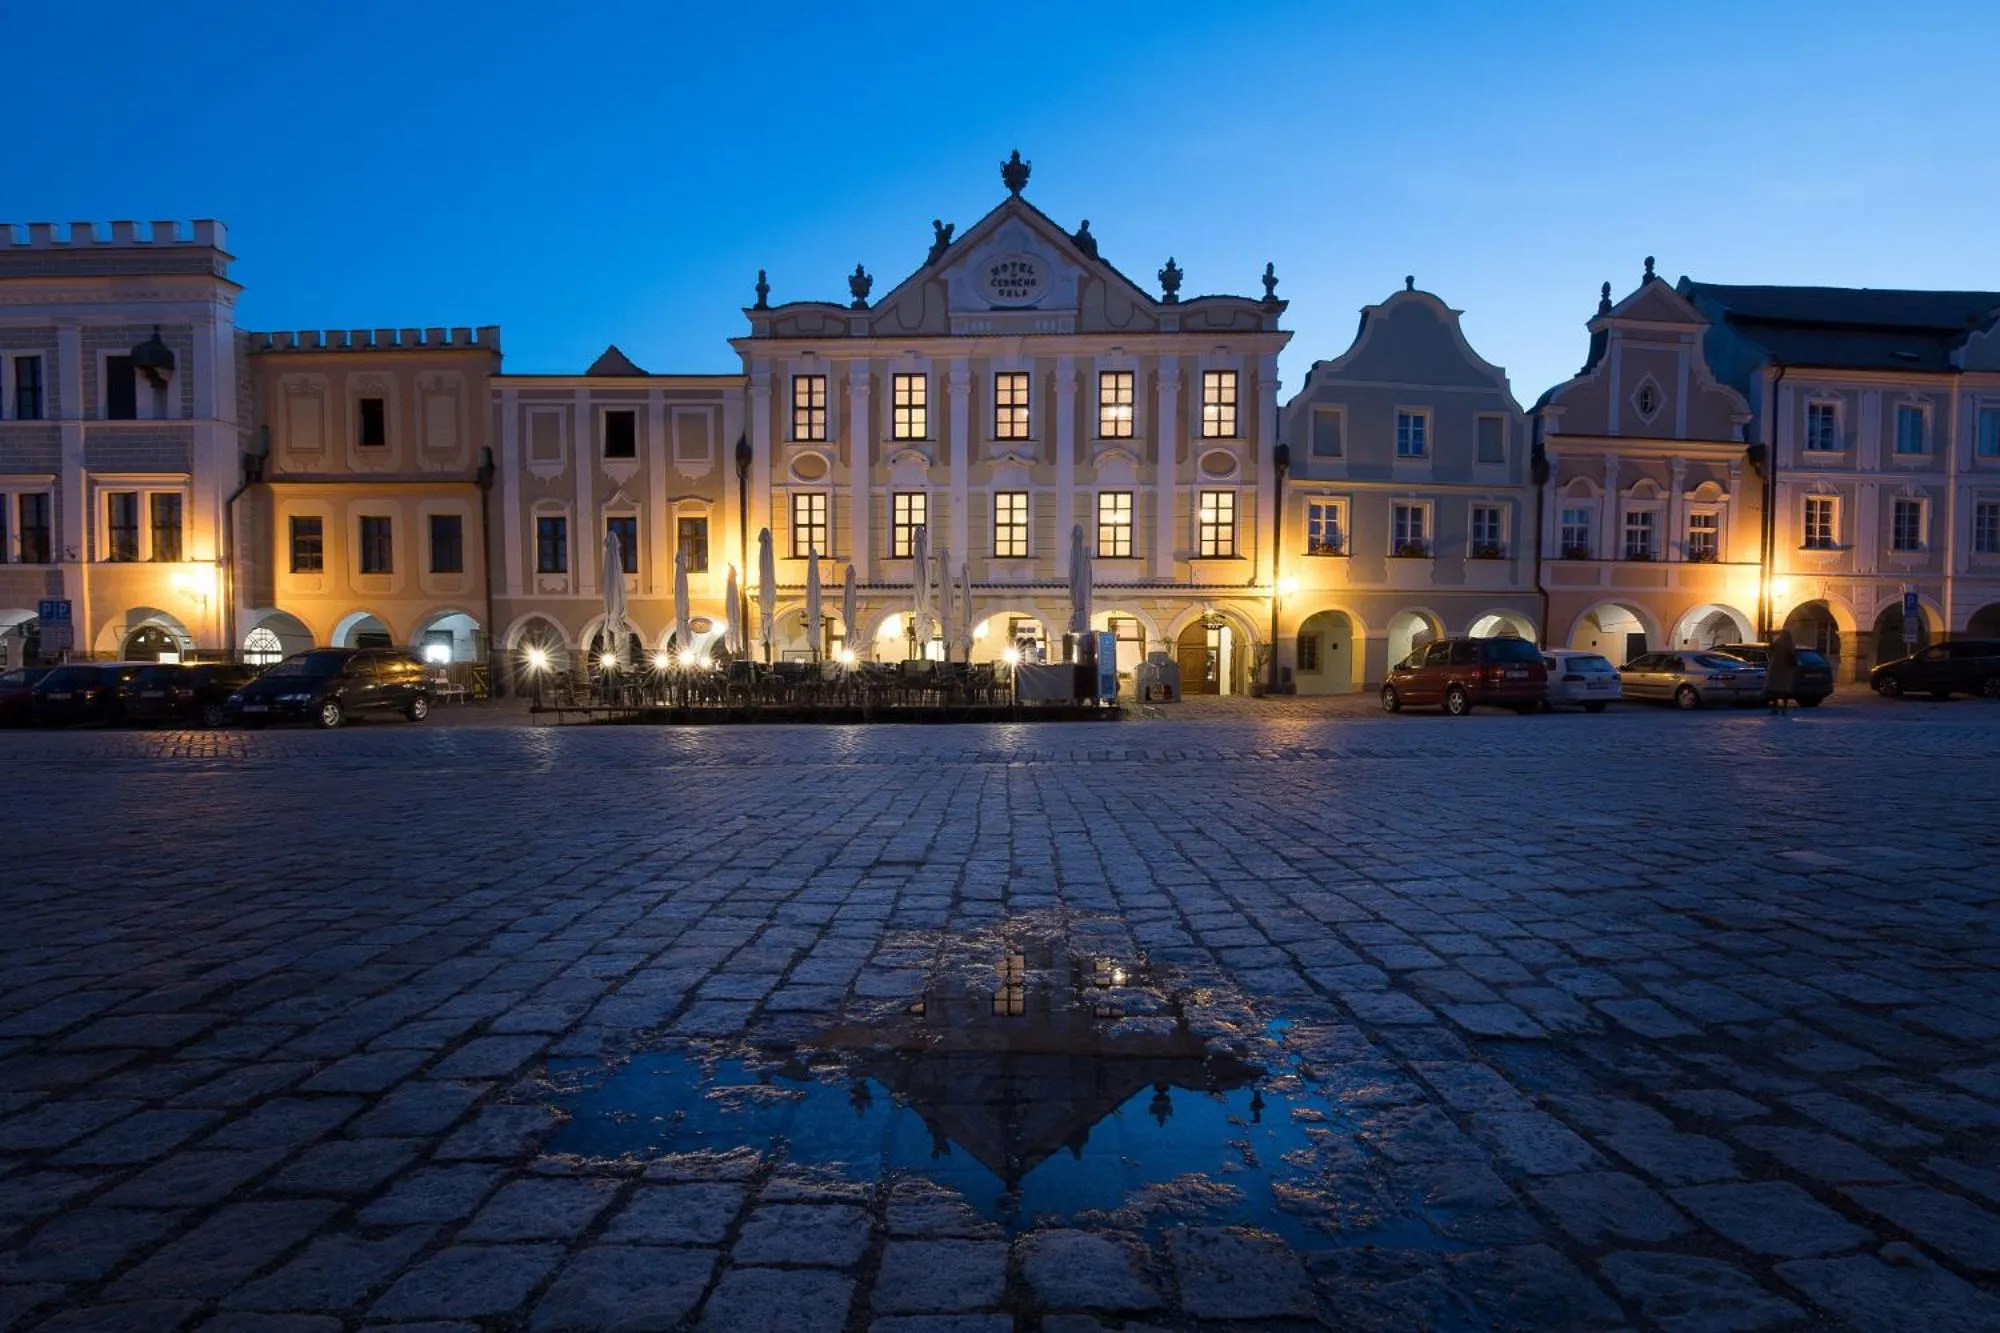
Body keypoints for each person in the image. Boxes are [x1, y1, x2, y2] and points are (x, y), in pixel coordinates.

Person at [1765, 627, 1798, 712]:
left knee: (1775, 690)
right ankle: (1783, 707)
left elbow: (1772, 648)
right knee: (1783, 690)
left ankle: (1776, 707)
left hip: (1777, 668)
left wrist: (1770, 638)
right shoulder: (1790, 644)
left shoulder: (1780, 643)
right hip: (1785, 669)